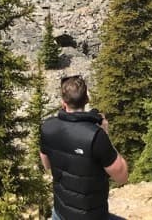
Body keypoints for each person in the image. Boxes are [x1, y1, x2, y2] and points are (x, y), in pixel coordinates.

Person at [40, 74, 128, 220]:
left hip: (60, 212)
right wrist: (105, 134)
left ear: (63, 103)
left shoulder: (47, 127)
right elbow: (122, 176)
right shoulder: (95, 135)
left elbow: (47, 165)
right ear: (86, 100)